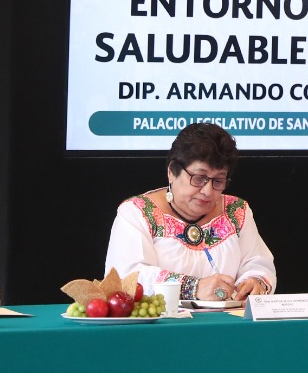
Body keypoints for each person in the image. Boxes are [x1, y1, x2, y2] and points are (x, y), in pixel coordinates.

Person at [106, 123, 275, 302]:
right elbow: (129, 277)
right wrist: (193, 288)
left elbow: (257, 263)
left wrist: (254, 282)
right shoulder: (136, 212)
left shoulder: (236, 211)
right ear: (172, 172)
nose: (208, 191)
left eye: (218, 181)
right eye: (199, 178)